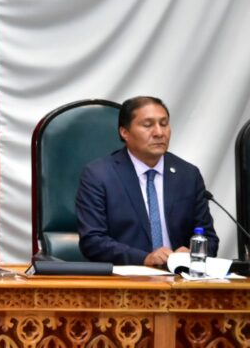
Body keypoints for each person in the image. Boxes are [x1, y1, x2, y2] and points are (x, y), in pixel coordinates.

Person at [75, 96, 218, 266]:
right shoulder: (99, 175)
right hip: (127, 282)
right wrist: (144, 258)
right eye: (148, 125)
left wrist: (194, 251)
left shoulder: (188, 175)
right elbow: (92, 241)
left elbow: (209, 239)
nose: (159, 132)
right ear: (125, 132)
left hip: (180, 280)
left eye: (164, 124)